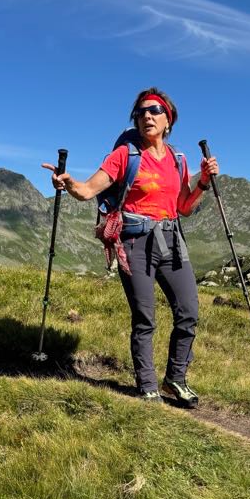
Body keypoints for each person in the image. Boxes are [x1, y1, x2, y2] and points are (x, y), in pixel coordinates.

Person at [43, 87, 218, 408]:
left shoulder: (179, 160)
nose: (146, 116)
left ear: (169, 120)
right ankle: (147, 385)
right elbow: (85, 191)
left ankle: (175, 379)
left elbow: (184, 207)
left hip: (170, 238)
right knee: (144, 316)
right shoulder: (124, 155)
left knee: (189, 311)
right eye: (140, 112)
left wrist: (203, 182)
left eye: (154, 110)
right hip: (133, 240)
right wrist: (66, 183)